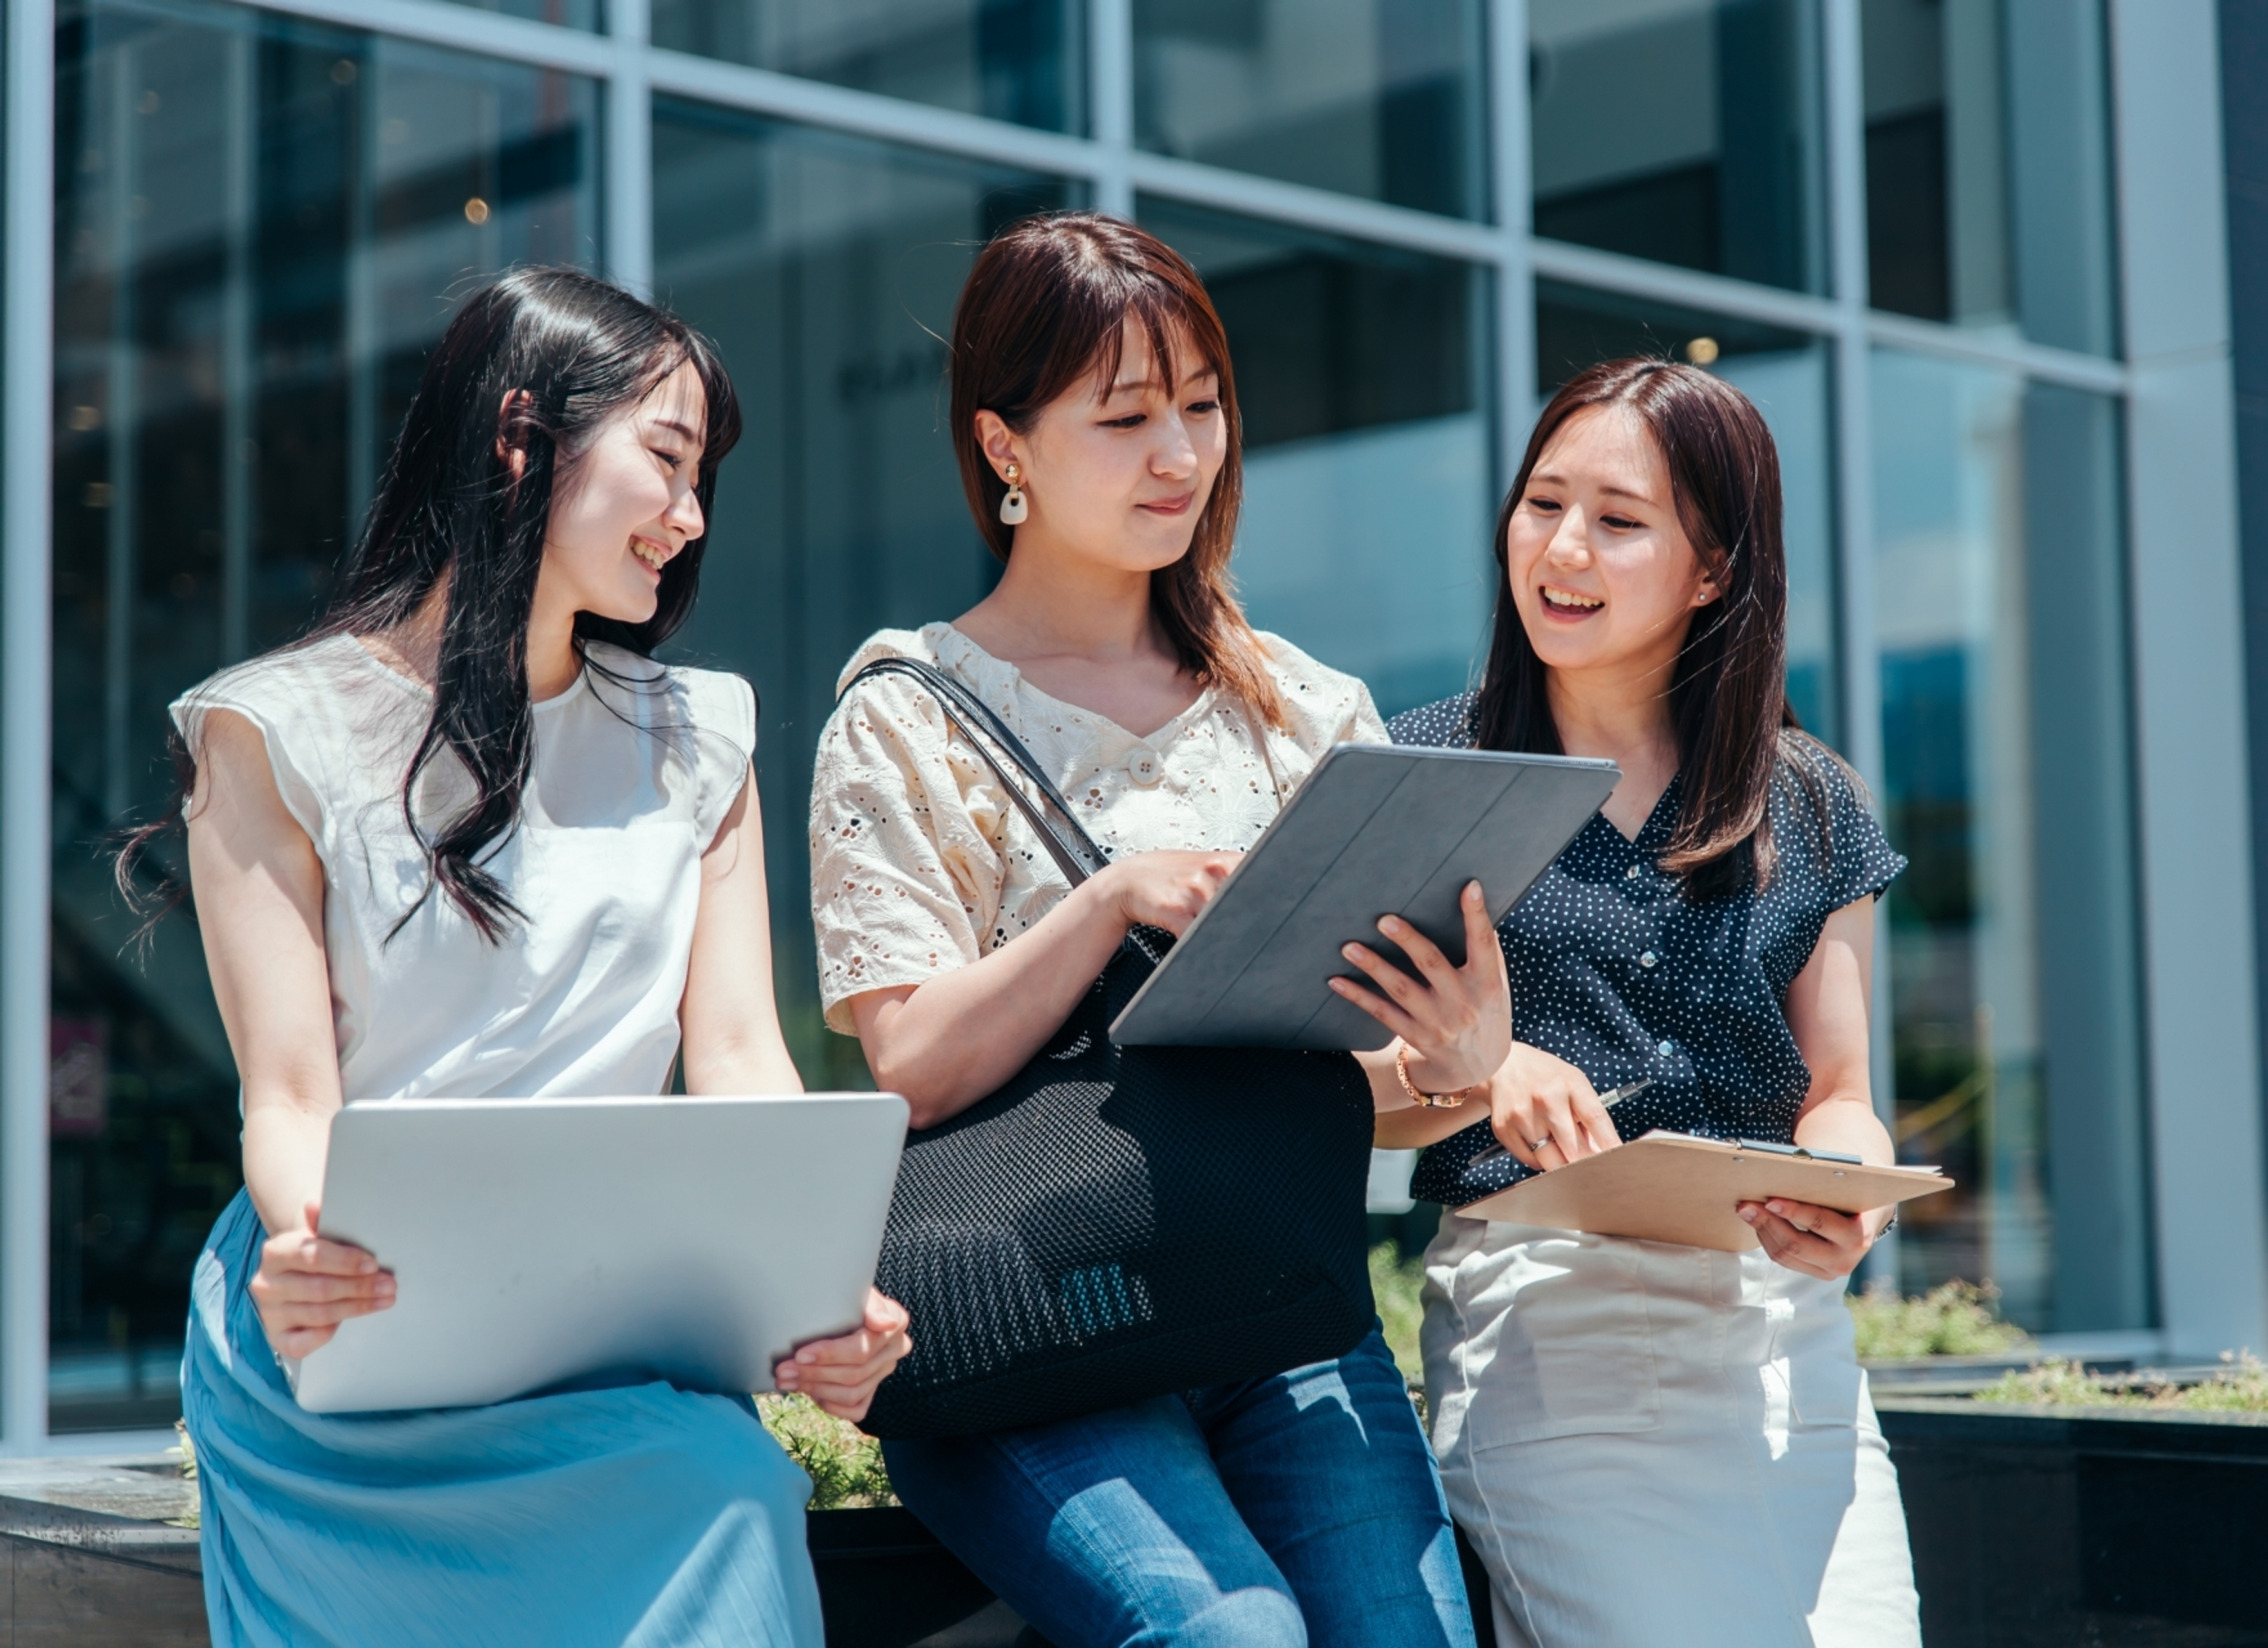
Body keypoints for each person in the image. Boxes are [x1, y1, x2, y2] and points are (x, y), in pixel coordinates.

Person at [150, 267, 911, 1646]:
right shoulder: (270, 733)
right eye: (667, 463)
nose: (689, 519)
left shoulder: (704, 734)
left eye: (704, 483)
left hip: (610, 1325)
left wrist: (821, 1281)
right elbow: (289, 1096)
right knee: (715, 1485)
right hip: (357, 1313)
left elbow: (740, 1051)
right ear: (521, 438)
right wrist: (312, 1249)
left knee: (731, 1483)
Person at [811, 212, 1489, 1648]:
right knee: (1223, 1636)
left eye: (1201, 407)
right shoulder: (908, 713)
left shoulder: (1303, 709)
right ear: (1006, 446)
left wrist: (1464, 1065)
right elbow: (909, 1065)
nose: (1182, 455)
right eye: (1125, 418)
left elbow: (1351, 1102)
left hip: (1279, 1303)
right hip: (1031, 1324)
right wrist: (1111, 901)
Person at [1380, 358, 1924, 1647]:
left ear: (1714, 569)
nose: (1564, 548)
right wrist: (1479, 1068)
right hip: (1550, 1324)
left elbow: (1840, 1097)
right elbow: (1330, 1080)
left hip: (1783, 1343)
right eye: (1542, 503)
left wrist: (1847, 1199)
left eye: (1619, 520)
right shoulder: (1425, 769)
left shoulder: (1810, 798)